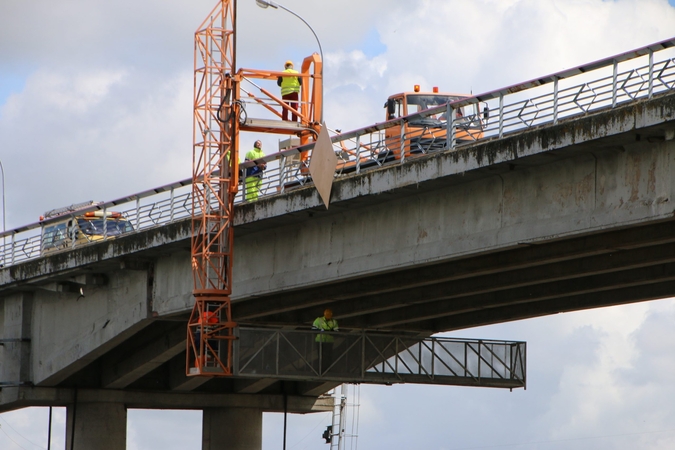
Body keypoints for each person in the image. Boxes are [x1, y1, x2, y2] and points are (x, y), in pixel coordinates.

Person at [312, 308, 339, 374]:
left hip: (329, 342)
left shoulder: (334, 322)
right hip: (320, 341)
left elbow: (336, 331)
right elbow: (313, 329)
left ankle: (327, 371)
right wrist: (321, 331)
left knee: (328, 357)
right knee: (321, 356)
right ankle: (320, 371)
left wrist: (330, 332)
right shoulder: (318, 320)